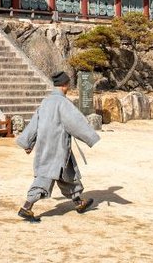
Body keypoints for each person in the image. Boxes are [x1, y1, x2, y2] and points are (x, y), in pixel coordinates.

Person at [15, 71, 100, 223]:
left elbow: (35, 123)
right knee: (45, 176)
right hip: (57, 147)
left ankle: (79, 202)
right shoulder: (63, 103)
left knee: (68, 173)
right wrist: (91, 137)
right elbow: (76, 123)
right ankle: (26, 207)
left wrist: (28, 143)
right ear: (65, 85)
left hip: (48, 146)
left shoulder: (45, 102)